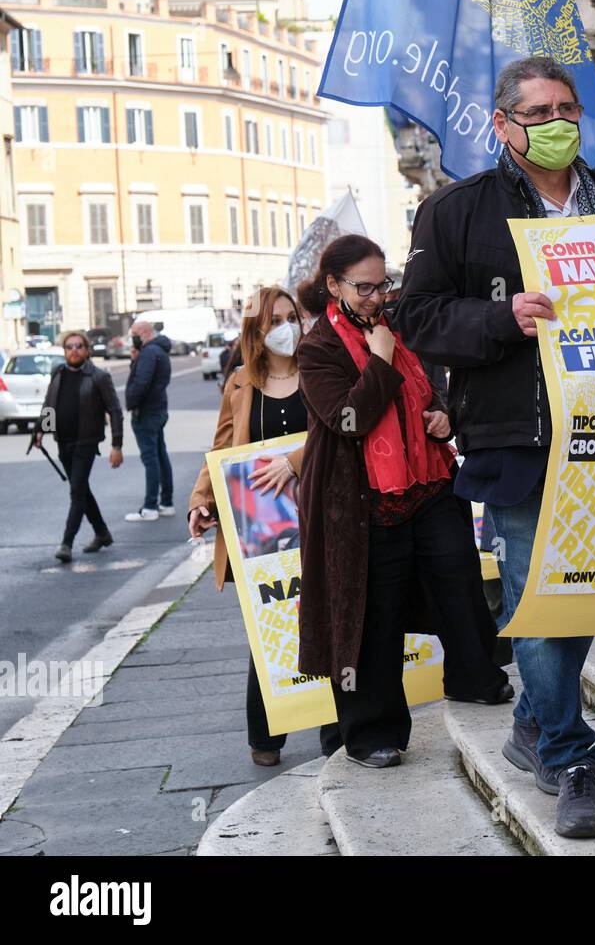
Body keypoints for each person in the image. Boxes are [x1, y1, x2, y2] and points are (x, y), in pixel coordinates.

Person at [393, 56, 595, 838]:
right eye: (538, 113)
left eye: (567, 107)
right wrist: (504, 321)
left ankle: (533, 722)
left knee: (583, 593)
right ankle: (571, 758)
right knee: (541, 596)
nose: (559, 122)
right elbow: (419, 319)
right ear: (502, 125)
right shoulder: (454, 211)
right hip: (516, 435)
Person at [296, 234, 511, 770]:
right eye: (363, 287)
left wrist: (441, 417)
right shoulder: (317, 347)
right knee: (374, 614)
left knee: (459, 585)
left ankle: (475, 679)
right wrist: (382, 360)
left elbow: (428, 393)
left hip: (430, 482)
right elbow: (349, 419)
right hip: (364, 501)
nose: (376, 297)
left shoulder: (400, 324)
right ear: (333, 285)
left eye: (382, 285)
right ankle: (373, 733)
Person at [187, 287, 342, 767]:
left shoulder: (320, 371)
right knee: (270, 626)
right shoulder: (239, 382)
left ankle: (335, 729)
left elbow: (336, 430)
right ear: (255, 330)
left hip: (320, 513)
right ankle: (266, 735)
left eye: (291, 317)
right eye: (274, 319)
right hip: (259, 526)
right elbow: (222, 450)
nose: (286, 327)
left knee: (331, 619)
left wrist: (294, 462)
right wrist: (202, 501)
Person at [35, 330, 123, 563]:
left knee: (76, 491)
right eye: (69, 347)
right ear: (64, 351)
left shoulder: (98, 376)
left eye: (78, 346)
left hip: (87, 442)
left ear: (87, 350)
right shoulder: (58, 372)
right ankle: (102, 532)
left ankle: (66, 543)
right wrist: (41, 430)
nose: (73, 350)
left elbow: (114, 411)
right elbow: (49, 404)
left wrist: (117, 445)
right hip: (63, 442)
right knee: (81, 489)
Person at [124, 319, 174, 522]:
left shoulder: (149, 353)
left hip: (147, 412)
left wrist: (131, 402)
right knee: (160, 455)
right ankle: (167, 502)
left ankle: (150, 507)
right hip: (158, 409)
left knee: (151, 459)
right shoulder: (158, 351)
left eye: (134, 333)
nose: (132, 338)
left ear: (144, 333)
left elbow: (141, 382)